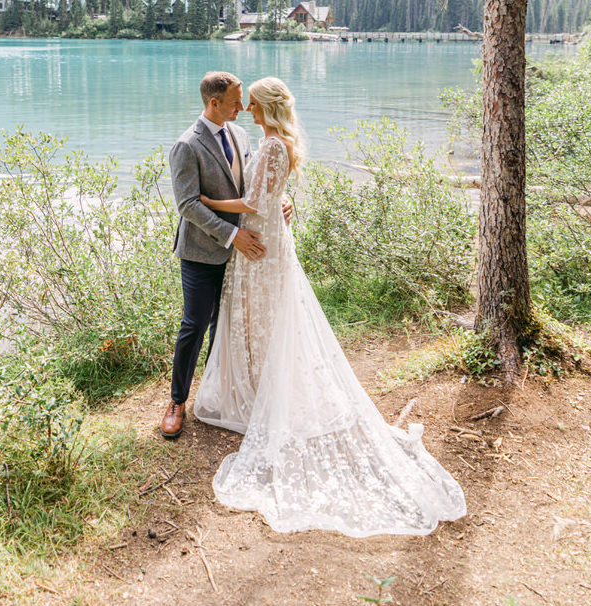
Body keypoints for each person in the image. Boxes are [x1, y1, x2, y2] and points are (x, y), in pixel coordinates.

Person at [192, 77, 467, 537]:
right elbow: (271, 194)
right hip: (264, 239)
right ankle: (261, 390)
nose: (247, 109)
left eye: (252, 104)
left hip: (263, 245)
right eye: (244, 103)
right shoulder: (269, 141)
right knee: (260, 321)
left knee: (269, 321)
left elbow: (256, 199)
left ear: (266, 106)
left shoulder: (274, 144)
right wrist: (277, 203)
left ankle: (271, 396)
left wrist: (208, 200)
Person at [160, 71, 261, 438]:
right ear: (213, 102)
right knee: (196, 324)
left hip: (239, 250)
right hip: (202, 252)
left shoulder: (242, 135)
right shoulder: (186, 145)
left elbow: (253, 184)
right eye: (236, 101)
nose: (242, 107)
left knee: (227, 323)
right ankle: (177, 401)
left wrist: (278, 201)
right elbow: (187, 205)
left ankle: (216, 391)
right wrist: (232, 235)